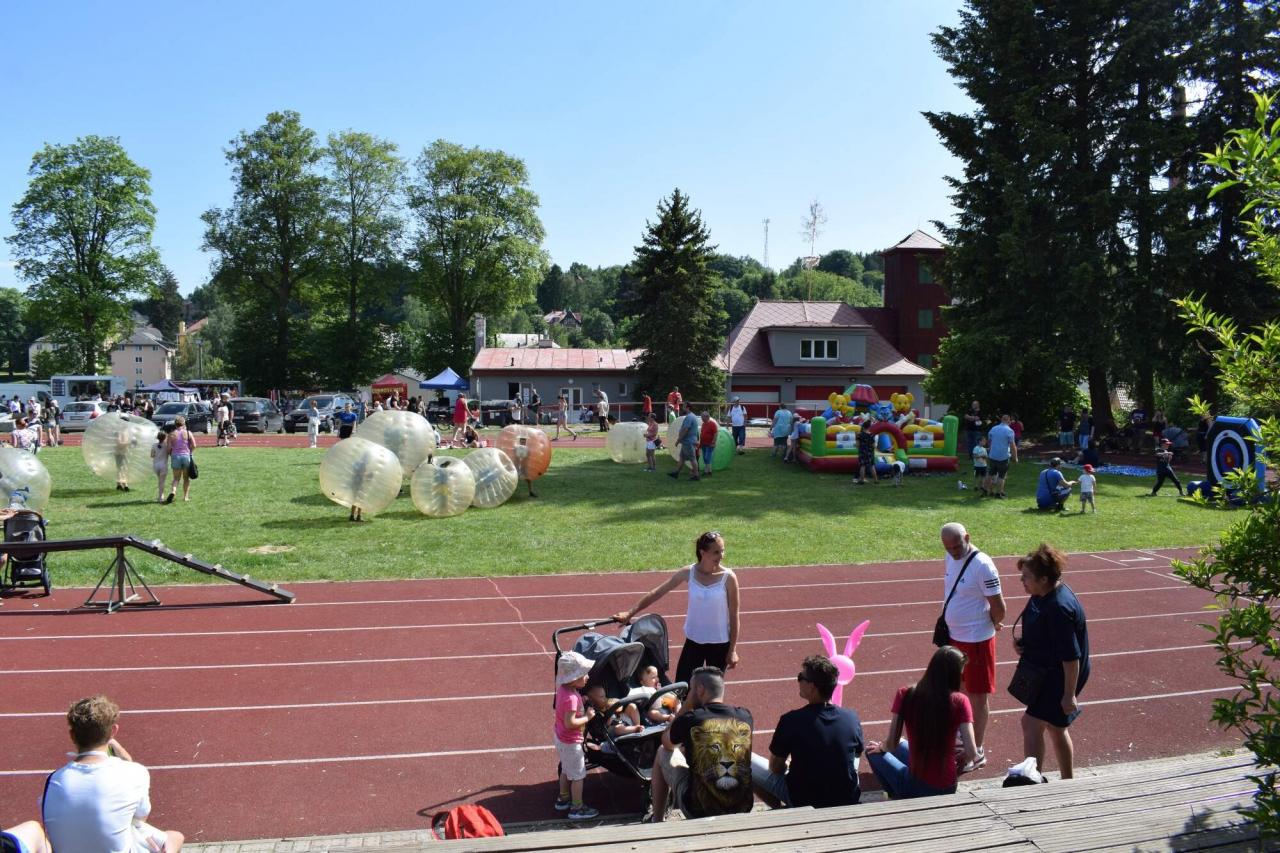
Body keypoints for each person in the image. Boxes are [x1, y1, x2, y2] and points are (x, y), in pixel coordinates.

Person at [41, 695, 185, 853]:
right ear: (113, 731)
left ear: (72, 735)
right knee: (174, 837)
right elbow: (139, 819)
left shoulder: (53, 780)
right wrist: (128, 762)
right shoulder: (134, 772)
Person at [615, 532, 740, 682]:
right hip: (694, 641)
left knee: (712, 689)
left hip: (719, 644)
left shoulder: (729, 578)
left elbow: (734, 615)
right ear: (702, 552)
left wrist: (732, 650)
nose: (721, 556)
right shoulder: (689, 572)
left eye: (722, 551)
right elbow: (657, 592)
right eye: (716, 552)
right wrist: (630, 612)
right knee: (682, 686)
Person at [1011, 543, 1090, 779]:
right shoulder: (1041, 594)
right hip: (1047, 671)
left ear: (1044, 579)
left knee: (1030, 724)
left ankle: (1031, 781)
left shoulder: (1059, 608)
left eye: (1026, 577)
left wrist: (1069, 695)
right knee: (1056, 727)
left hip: (1060, 677)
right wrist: (1024, 643)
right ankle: (1067, 781)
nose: (1022, 581)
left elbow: (1071, 657)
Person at [751, 655, 864, 809]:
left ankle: (780, 810)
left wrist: (788, 765)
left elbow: (775, 768)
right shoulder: (852, 718)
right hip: (846, 797)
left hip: (805, 800)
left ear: (812, 687)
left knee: (744, 760)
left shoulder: (791, 720)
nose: (798, 681)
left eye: (801, 677)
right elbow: (857, 754)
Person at [866, 646, 979, 798]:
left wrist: (881, 747)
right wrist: (961, 759)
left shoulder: (905, 694)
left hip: (917, 786)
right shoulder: (960, 701)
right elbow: (972, 752)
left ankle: (896, 796)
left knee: (871, 751)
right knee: (902, 744)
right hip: (948, 784)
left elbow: (891, 744)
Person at [648, 666, 754, 822]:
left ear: (700, 690)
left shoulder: (691, 719)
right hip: (742, 809)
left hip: (699, 811)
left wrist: (687, 705)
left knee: (662, 751)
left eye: (691, 689)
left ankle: (657, 820)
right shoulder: (745, 716)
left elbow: (667, 743)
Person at [939, 522, 1004, 759]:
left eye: (957, 546)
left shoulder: (983, 565)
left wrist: (994, 622)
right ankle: (965, 737)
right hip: (955, 636)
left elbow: (999, 607)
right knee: (960, 689)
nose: (953, 552)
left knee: (977, 696)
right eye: (948, 548)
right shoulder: (950, 557)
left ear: (967, 537)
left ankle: (977, 749)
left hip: (976, 640)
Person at [553, 652, 600, 820]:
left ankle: (563, 798)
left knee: (566, 770)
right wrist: (587, 717)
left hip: (561, 738)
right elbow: (570, 722)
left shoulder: (565, 690)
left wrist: (582, 699)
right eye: (584, 674)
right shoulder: (571, 698)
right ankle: (577, 807)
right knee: (578, 775)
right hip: (571, 742)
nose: (588, 677)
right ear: (573, 679)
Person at [984, 414, 1018, 499]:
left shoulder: (993, 429)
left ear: (1001, 420)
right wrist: (1015, 457)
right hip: (1003, 457)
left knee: (990, 474)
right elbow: (1013, 446)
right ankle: (998, 493)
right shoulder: (1009, 431)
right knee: (1002, 476)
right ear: (1009, 421)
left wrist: (990, 451)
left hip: (993, 455)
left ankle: (985, 491)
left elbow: (989, 441)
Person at [165, 415, 196, 503]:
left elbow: (168, 449)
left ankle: (173, 491)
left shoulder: (171, 434)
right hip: (186, 456)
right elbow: (194, 445)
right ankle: (185, 497)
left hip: (175, 456)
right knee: (186, 478)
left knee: (176, 478)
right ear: (183, 423)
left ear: (175, 424)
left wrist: (171, 454)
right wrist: (190, 452)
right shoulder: (188, 433)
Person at [669, 402, 701, 481]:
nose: (682, 408)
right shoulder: (693, 416)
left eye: (684, 406)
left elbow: (685, 429)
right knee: (682, 458)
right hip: (687, 442)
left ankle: (696, 475)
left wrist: (679, 439)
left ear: (688, 408)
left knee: (692, 458)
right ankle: (676, 473)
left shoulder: (689, 417)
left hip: (688, 442)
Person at [150, 428, 172, 505]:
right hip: (163, 465)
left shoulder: (154, 445)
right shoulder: (166, 445)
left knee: (160, 481)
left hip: (156, 465)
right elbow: (170, 453)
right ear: (165, 437)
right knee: (162, 482)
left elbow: (152, 455)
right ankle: (161, 497)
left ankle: (160, 496)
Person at [698, 410, 720, 477]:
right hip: (703, 444)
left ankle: (706, 471)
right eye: (701, 417)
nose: (702, 418)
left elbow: (715, 433)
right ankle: (709, 471)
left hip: (710, 444)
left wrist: (713, 442)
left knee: (707, 457)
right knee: (705, 458)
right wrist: (700, 444)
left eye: (702, 417)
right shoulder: (703, 424)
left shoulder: (712, 424)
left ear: (707, 417)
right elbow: (702, 433)